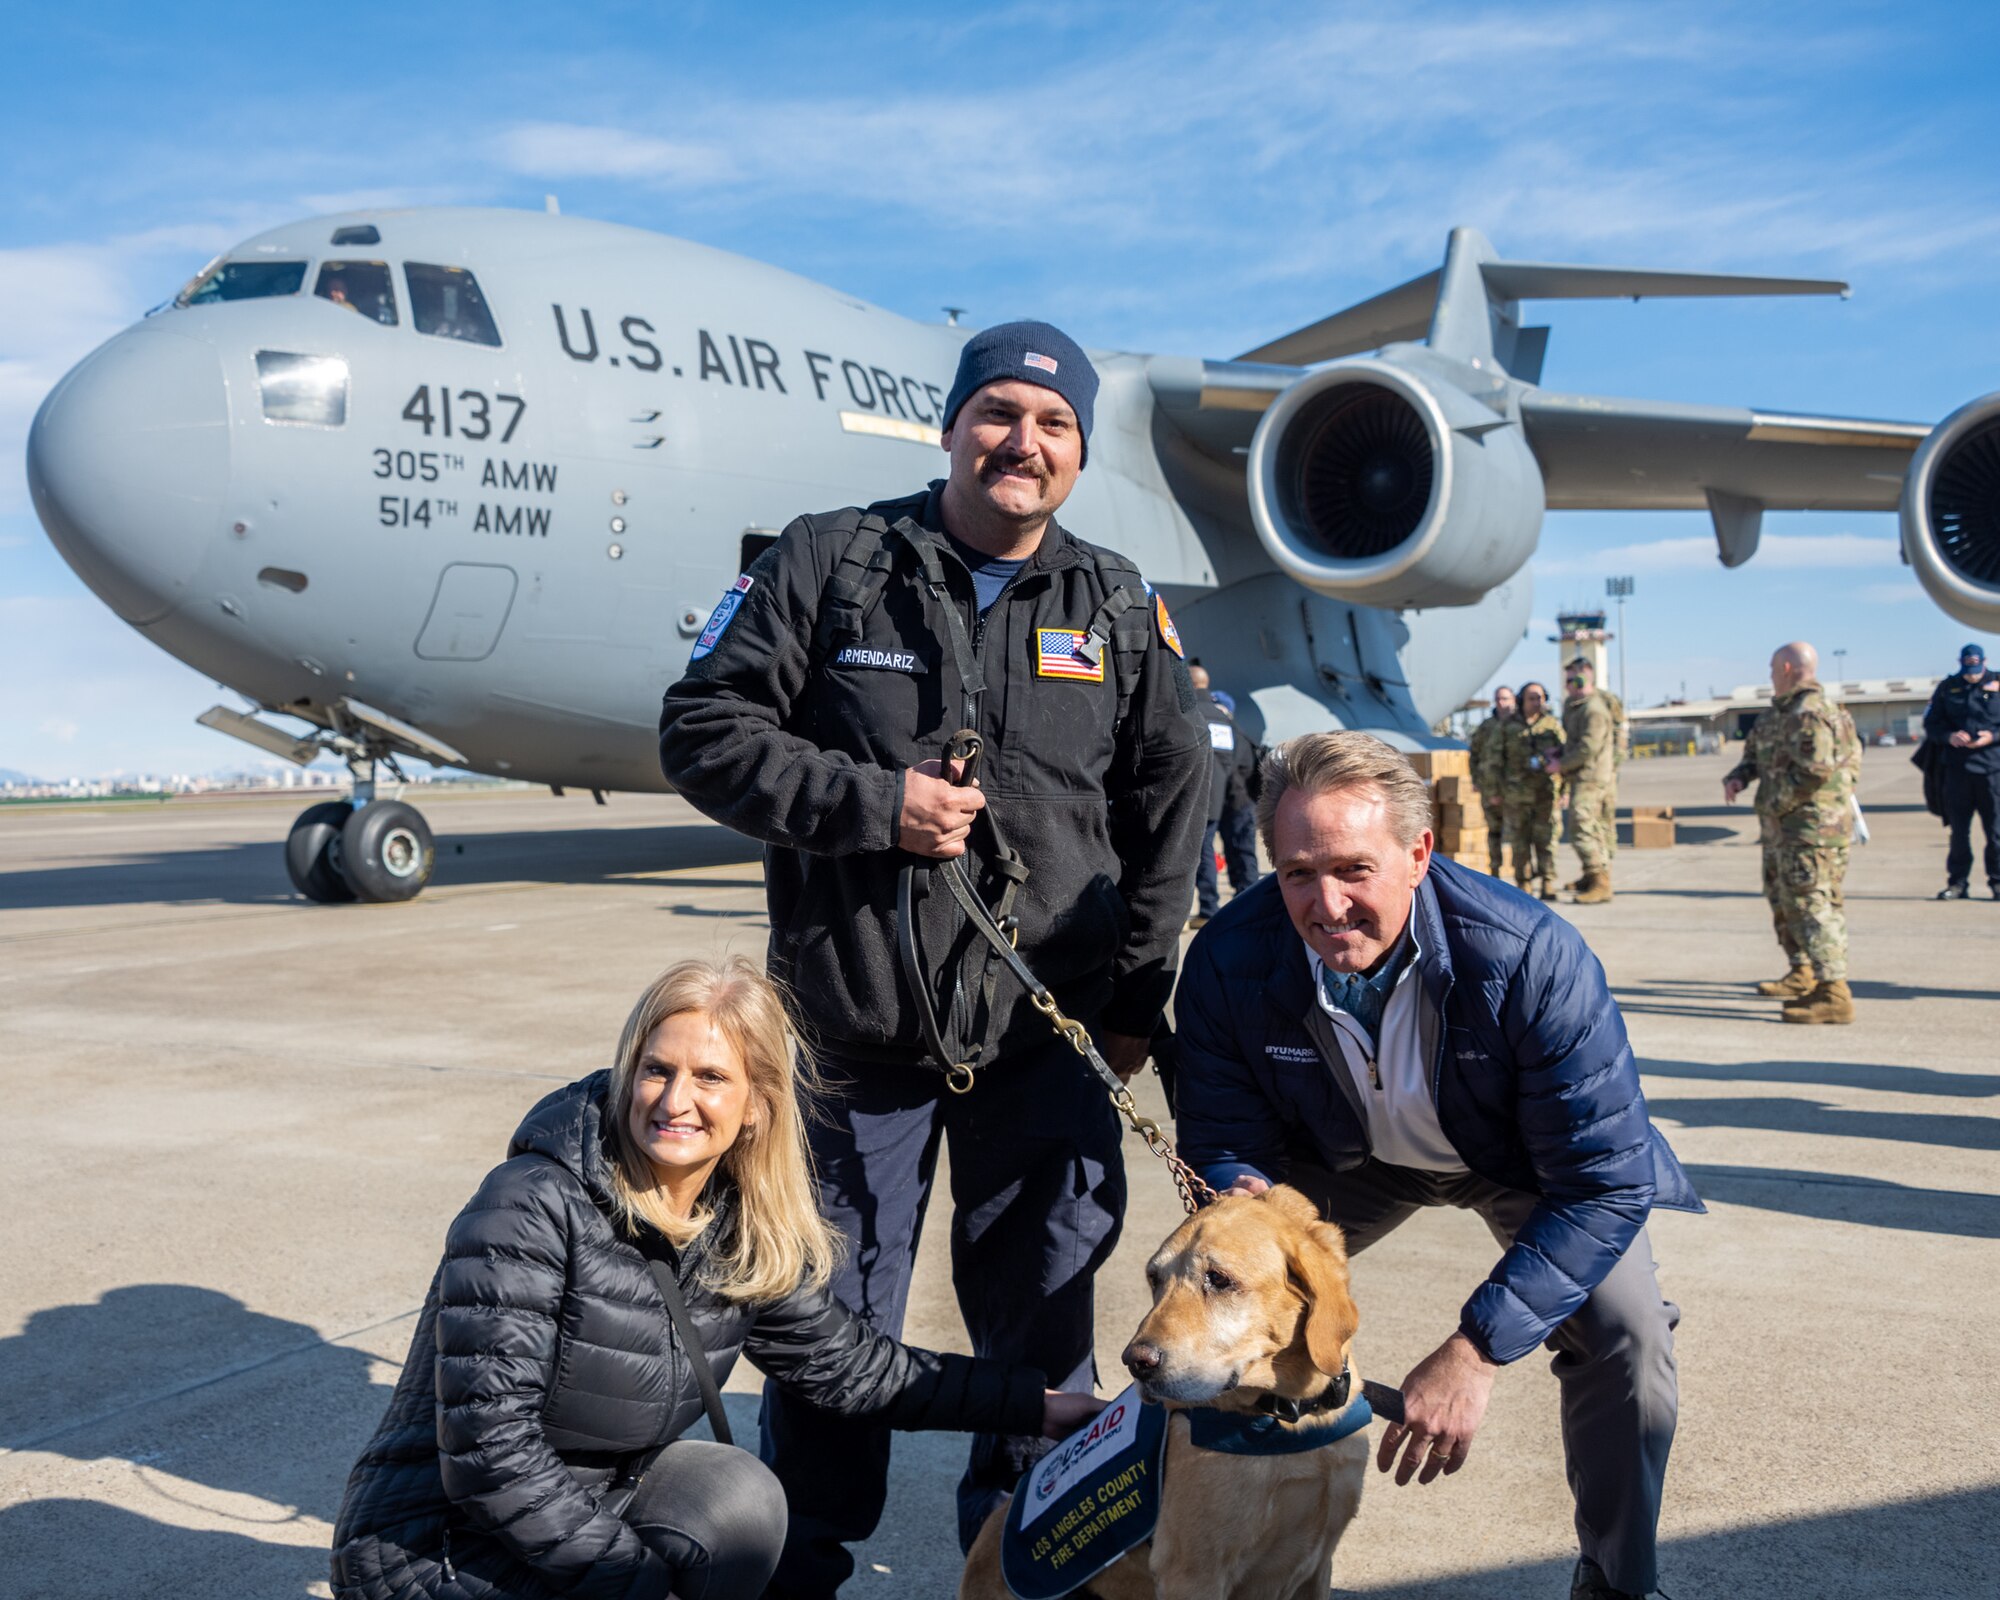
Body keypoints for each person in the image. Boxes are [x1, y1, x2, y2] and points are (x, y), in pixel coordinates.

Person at [658, 320, 1209, 1596]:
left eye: (1053, 423)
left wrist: (1131, 1001)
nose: (1023, 442)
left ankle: (1020, 1555)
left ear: (1076, 450)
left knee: (1043, 1324)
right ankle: (809, 1555)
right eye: (999, 413)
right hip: (854, 1044)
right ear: (952, 424)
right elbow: (700, 729)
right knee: (824, 1321)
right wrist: (870, 802)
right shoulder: (831, 562)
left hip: (1042, 1046)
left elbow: (1171, 813)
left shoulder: (1116, 604)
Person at [330, 959, 1100, 1600]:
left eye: (709, 1078)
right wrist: (637, 1582)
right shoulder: (528, 1206)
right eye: (656, 1071)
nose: (675, 1101)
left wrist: (1037, 1404)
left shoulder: (735, 1225)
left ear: (757, 1107)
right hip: (429, 1549)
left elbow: (857, 1371)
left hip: (588, 1511)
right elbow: (490, 1457)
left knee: (739, 1496)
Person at [1171, 732, 1700, 1600]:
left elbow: (1606, 1180)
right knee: (1209, 1290)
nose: (1327, 903)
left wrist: (1476, 1349)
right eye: (1298, 873)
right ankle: (1191, 1531)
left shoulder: (1528, 955)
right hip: (1351, 1163)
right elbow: (1226, 1141)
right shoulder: (1231, 957)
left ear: (1419, 853)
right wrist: (1248, 1208)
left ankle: (1616, 1580)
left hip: (1521, 1165)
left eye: (1353, 870)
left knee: (1627, 1337)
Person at [1722, 641, 1862, 1023]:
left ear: (1787, 667)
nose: (1769, 673)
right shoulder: (1778, 715)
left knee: (1813, 905)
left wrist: (1771, 803)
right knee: (1785, 901)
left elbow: (1815, 773)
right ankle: (1802, 971)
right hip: (1783, 832)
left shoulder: (1812, 713)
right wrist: (1737, 778)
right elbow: (1755, 757)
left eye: (1772, 667)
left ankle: (1834, 992)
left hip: (1810, 832)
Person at [1922, 641, 2000, 900]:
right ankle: (1957, 883)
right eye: (1967, 668)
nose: (1972, 673)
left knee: (1996, 832)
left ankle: (1997, 882)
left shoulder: (1998, 684)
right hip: (1958, 771)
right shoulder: (1948, 687)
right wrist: (1949, 736)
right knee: (1958, 833)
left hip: (1992, 770)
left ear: (1984, 662)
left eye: (1976, 668)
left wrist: (1993, 737)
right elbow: (1931, 724)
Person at [1188, 664, 1261, 927]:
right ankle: (1250, 903)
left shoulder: (1191, 713)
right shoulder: (1225, 718)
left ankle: (1209, 908)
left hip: (1204, 796)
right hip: (1234, 795)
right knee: (1241, 849)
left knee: (1203, 851)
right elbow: (1244, 758)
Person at [1559, 659, 1618, 903]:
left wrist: (1560, 765)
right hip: (1584, 775)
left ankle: (1600, 881)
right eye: (1568, 680)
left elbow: (1587, 748)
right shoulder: (1575, 706)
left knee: (1582, 827)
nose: (1572, 685)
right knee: (1594, 827)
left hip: (1592, 777)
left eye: (1577, 680)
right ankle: (1591, 874)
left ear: (1588, 680)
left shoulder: (1593, 710)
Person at [1500, 680, 1564, 900]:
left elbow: (1564, 760)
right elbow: (1495, 760)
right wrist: (1495, 791)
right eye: (1532, 698)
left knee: (1547, 840)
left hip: (1545, 795)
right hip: (1516, 797)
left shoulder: (1552, 726)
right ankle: (1523, 882)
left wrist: (1565, 791)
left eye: (1540, 698)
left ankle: (1548, 881)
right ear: (1521, 701)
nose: (1537, 702)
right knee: (1520, 841)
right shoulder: (1508, 727)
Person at [1468, 686, 1516, 876]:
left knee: (1517, 834)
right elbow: (1475, 754)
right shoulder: (1486, 727)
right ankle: (1495, 870)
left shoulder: (1519, 725)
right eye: (1498, 699)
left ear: (1513, 700)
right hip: (1489, 790)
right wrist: (1476, 779)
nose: (1501, 703)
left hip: (1515, 791)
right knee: (1494, 832)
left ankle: (1522, 873)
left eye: (1505, 699)